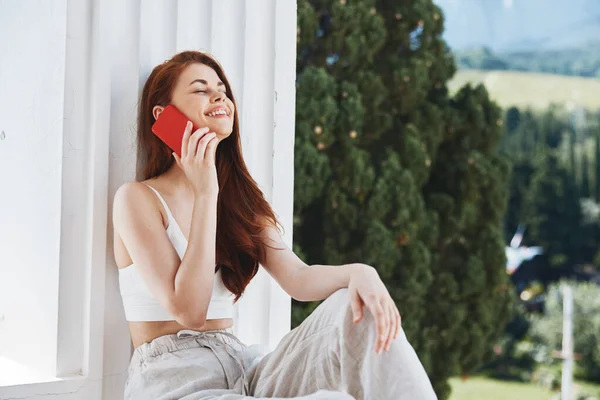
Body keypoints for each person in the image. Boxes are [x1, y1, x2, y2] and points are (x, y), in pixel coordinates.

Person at [112, 50, 437, 400]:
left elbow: (298, 279)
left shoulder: (240, 200)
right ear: (163, 116)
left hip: (243, 372)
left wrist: (360, 272)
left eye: (221, 88)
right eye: (200, 89)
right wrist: (206, 193)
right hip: (175, 384)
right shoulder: (137, 200)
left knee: (355, 308)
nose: (219, 95)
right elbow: (190, 311)